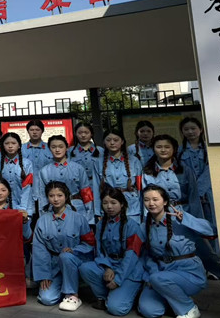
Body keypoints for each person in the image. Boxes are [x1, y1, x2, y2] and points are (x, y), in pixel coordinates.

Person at [142, 135, 220, 281]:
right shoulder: (148, 172)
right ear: (153, 149)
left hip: (184, 214)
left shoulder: (185, 170)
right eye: (159, 147)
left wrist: (197, 221)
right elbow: (146, 198)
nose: (163, 150)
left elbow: (193, 196)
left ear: (174, 149)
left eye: (167, 147)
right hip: (160, 216)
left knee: (205, 252)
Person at [138, 185, 214, 318]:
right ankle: (176, 298)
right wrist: (153, 273)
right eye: (146, 200)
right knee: (149, 310)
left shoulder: (179, 219)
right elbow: (146, 255)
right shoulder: (144, 226)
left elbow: (211, 231)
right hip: (161, 274)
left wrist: (185, 219)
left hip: (189, 273)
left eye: (155, 199)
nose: (151, 203)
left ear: (165, 201)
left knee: (158, 279)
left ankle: (189, 309)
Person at [79, 187, 145, 316]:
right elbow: (99, 250)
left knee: (116, 309)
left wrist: (118, 279)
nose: (109, 206)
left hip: (129, 270)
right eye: (105, 203)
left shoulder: (132, 226)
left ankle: (128, 294)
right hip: (111, 264)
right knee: (85, 268)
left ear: (122, 204)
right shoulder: (100, 225)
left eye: (113, 202)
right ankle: (104, 297)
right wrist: (107, 267)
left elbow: (131, 256)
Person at [32, 181, 95, 312]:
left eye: (59, 195)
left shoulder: (79, 218)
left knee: (66, 256)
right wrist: (44, 275)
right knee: (47, 299)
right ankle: (63, 286)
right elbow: (39, 250)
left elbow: (89, 243)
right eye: (51, 196)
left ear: (66, 196)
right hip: (54, 267)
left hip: (74, 263)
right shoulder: (42, 221)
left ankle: (72, 294)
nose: (55, 199)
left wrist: (74, 250)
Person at [36, 135, 93, 225]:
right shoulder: (44, 171)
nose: (57, 150)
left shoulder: (78, 168)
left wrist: (90, 219)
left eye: (61, 146)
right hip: (53, 212)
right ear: (49, 149)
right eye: (53, 147)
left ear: (66, 148)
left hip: (77, 208)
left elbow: (86, 193)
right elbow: (42, 197)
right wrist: (43, 219)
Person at [95, 130, 143, 222]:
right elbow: (96, 188)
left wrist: (142, 210)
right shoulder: (98, 162)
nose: (112, 143)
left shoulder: (134, 161)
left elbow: (140, 188)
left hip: (132, 207)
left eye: (116, 140)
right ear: (104, 142)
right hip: (109, 206)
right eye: (108, 140)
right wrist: (98, 212)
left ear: (122, 142)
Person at [178, 118, 216, 231]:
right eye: (186, 129)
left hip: (209, 192)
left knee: (212, 224)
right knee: (194, 224)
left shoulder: (209, 149)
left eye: (193, 128)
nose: (190, 132)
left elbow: (210, 170)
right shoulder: (179, 151)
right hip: (189, 193)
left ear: (201, 129)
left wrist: (199, 190)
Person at [0, 132, 34, 215]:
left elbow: (27, 189)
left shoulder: (27, 164)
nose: (10, 146)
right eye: (7, 143)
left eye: (13, 143)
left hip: (23, 206)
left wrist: (23, 209)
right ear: (2, 146)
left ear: (19, 145)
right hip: (1, 207)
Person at [0, 177, 32, 241]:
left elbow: (27, 236)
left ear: (9, 192)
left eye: (3, 190)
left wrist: (25, 222)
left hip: (11, 246)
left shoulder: (18, 211)